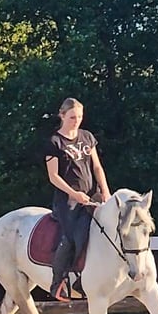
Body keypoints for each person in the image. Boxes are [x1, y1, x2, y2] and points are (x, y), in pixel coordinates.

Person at [42, 97, 111, 302]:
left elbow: (96, 167)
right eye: (72, 117)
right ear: (62, 116)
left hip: (91, 194)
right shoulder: (54, 142)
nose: (76, 121)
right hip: (68, 200)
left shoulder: (87, 137)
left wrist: (105, 191)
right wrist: (75, 194)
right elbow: (53, 176)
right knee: (73, 235)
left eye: (79, 117)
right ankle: (58, 282)